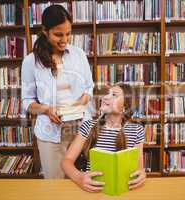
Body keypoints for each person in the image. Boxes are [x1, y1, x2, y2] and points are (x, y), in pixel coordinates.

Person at [21, 5, 94, 179]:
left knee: (85, 180)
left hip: (82, 129)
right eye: (58, 34)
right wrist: (46, 109)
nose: (65, 39)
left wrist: (84, 98)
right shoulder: (31, 62)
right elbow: (27, 101)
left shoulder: (79, 54)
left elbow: (89, 87)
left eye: (68, 34)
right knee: (56, 184)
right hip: (51, 134)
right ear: (45, 31)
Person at [61, 85, 146, 192]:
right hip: (92, 190)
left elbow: (139, 168)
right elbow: (66, 161)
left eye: (114, 95)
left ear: (125, 107)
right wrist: (79, 177)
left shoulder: (137, 130)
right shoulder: (88, 126)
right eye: (107, 93)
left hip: (123, 191)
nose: (105, 97)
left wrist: (142, 174)